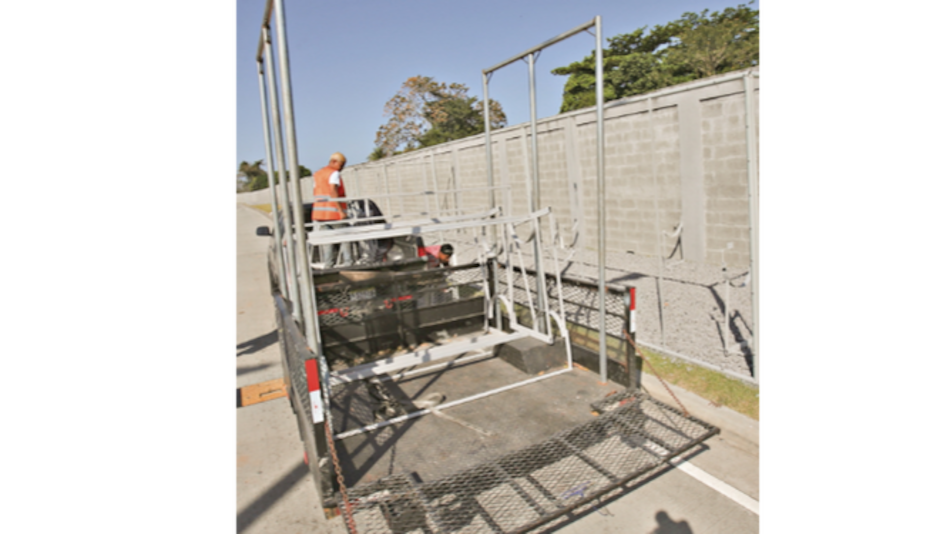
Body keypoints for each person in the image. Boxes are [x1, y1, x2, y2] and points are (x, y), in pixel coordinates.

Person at [311, 152, 353, 268]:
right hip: (334, 213)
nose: (342, 168)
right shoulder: (333, 173)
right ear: (334, 162)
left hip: (320, 214)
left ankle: (328, 264)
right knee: (345, 236)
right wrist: (341, 210)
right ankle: (348, 262)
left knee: (327, 240)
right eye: (341, 165)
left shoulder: (318, 174)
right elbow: (333, 191)